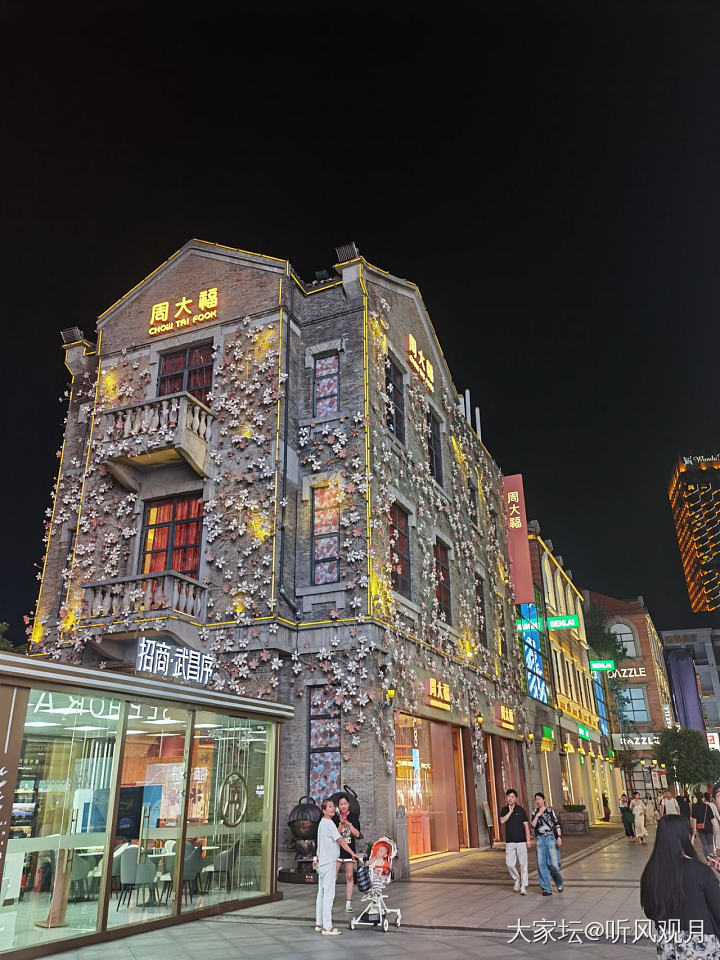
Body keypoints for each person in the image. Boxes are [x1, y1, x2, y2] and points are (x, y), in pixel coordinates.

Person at [641, 814, 720, 957]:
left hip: (668, 944)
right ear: (687, 838)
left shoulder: (650, 872)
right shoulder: (701, 871)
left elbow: (649, 911)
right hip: (701, 945)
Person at [313, 798, 360, 936]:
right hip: (328, 863)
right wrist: (352, 853)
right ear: (324, 810)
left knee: (321, 893)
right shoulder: (329, 823)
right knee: (328, 895)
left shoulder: (322, 823)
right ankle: (327, 927)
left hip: (322, 862)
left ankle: (319, 923)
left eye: (333, 806)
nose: (333, 808)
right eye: (329, 806)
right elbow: (341, 840)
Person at [530, 792, 563, 896]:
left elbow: (556, 824)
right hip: (540, 839)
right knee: (541, 864)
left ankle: (559, 882)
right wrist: (537, 815)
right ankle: (546, 889)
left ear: (543, 799)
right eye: (536, 799)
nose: (538, 801)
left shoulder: (550, 810)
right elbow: (533, 825)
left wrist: (559, 837)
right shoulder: (534, 812)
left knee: (553, 864)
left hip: (550, 838)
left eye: (539, 799)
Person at [499, 788, 531, 895]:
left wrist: (528, 840)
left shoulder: (521, 810)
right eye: (508, 797)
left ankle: (523, 886)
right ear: (506, 798)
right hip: (510, 842)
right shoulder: (504, 810)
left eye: (512, 797)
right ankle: (517, 879)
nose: (510, 799)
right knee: (509, 864)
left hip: (521, 841)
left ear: (516, 798)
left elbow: (526, 826)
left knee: (523, 864)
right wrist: (510, 812)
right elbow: (502, 821)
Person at [333, 794, 361, 913]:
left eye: (345, 804)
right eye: (341, 804)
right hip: (337, 851)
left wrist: (349, 824)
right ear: (338, 806)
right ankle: (329, 900)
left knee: (349, 876)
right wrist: (340, 823)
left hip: (349, 850)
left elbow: (358, 834)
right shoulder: (335, 817)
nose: (343, 806)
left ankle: (348, 903)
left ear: (348, 805)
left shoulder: (353, 817)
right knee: (333, 876)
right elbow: (335, 835)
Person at [691, 792, 716, 862]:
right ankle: (712, 859)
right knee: (710, 843)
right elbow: (711, 819)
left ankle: (707, 860)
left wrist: (694, 829)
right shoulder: (707, 806)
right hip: (708, 827)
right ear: (703, 798)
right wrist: (714, 828)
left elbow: (694, 819)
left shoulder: (694, 806)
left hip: (700, 828)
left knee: (704, 844)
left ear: (696, 798)